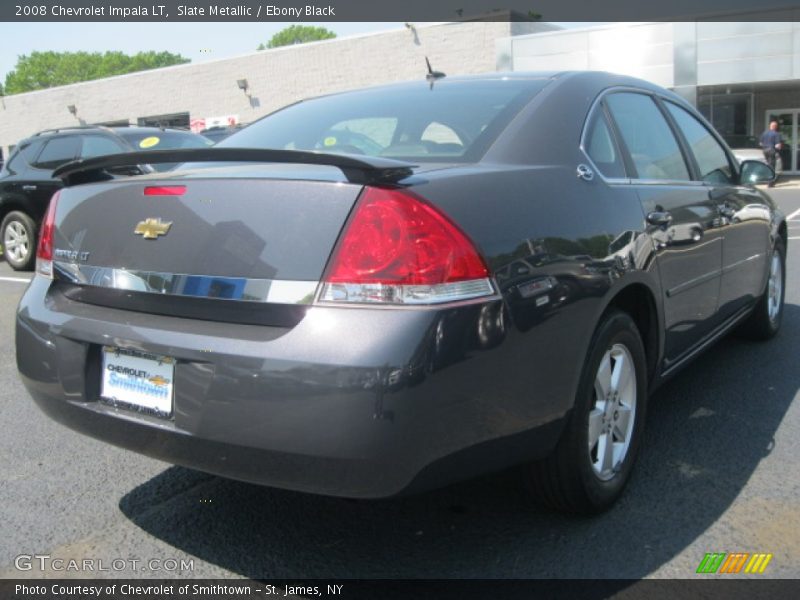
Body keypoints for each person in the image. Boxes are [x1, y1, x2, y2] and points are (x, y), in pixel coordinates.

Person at [760, 121, 784, 187]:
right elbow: (778, 145)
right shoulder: (776, 134)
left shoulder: (764, 133)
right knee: (773, 166)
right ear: (775, 127)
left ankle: (767, 180)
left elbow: (760, 143)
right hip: (772, 150)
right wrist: (780, 147)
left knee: (768, 165)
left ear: (770, 126)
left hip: (765, 150)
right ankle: (770, 183)